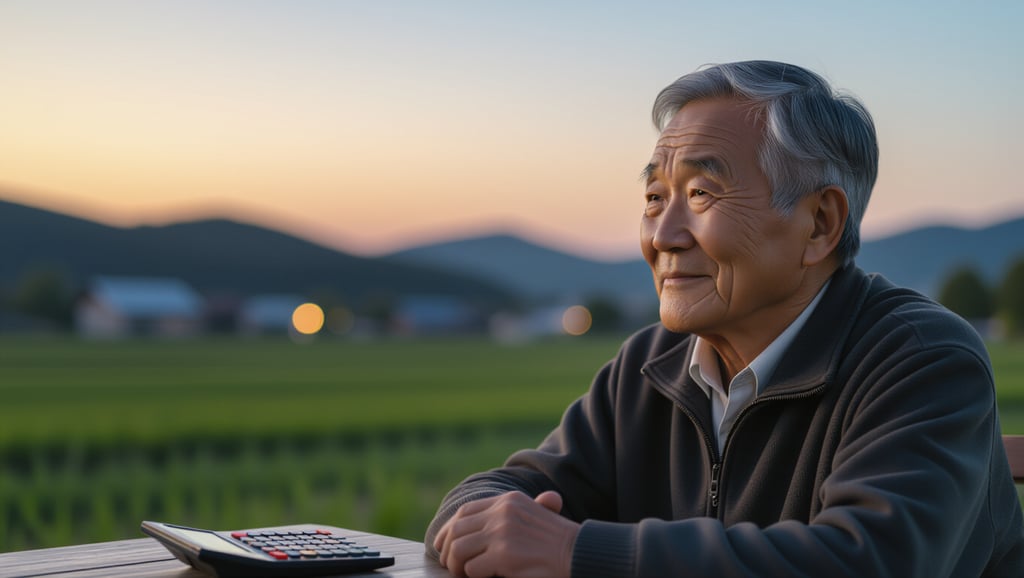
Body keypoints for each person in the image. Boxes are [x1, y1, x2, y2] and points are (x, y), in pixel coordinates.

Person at [425, 60, 1024, 577]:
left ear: (819, 225)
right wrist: (485, 521)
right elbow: (498, 494)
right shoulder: (648, 365)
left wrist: (579, 552)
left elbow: (867, 562)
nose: (663, 235)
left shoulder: (922, 358)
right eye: (655, 198)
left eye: (703, 194)